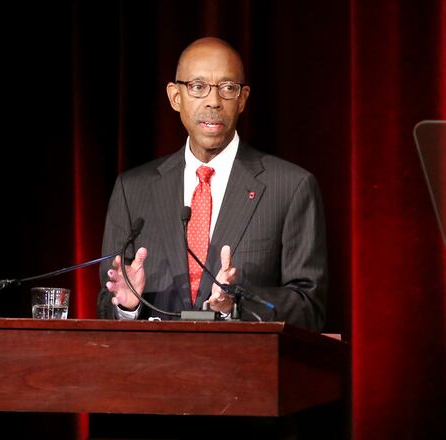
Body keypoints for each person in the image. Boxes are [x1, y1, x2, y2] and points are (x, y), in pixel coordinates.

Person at [97, 37, 328, 332]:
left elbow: (310, 307)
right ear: (175, 96)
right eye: (198, 86)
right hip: (153, 360)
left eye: (228, 88)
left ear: (242, 99)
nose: (213, 101)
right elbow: (107, 302)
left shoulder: (290, 187)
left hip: (244, 359)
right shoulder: (133, 190)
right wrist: (127, 307)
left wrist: (236, 306)